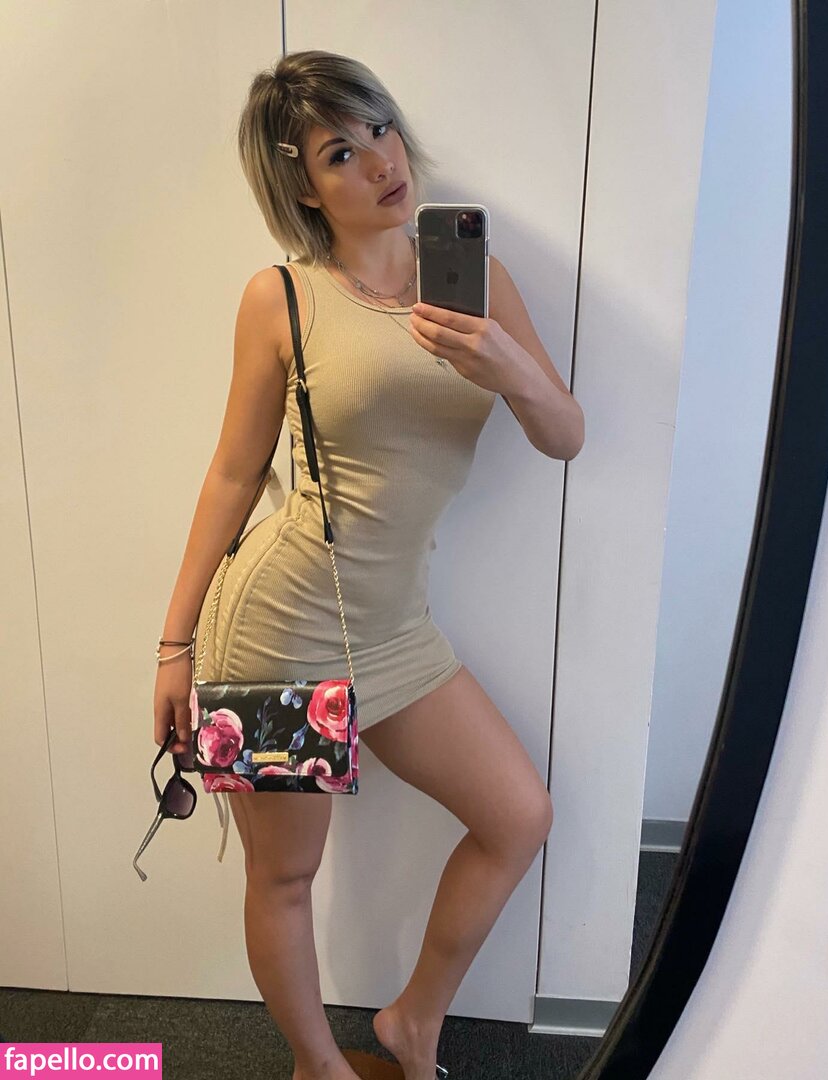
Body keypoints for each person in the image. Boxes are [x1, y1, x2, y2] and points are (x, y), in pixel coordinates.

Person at [153, 49, 584, 1080]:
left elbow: (565, 435)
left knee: (518, 816)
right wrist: (174, 646)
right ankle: (320, 1066)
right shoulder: (282, 297)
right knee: (285, 877)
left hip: (393, 628)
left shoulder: (481, 282)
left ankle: (411, 1025)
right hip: (280, 631)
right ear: (305, 187)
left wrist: (508, 365)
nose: (381, 162)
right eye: (340, 153)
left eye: (379, 130)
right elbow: (232, 474)